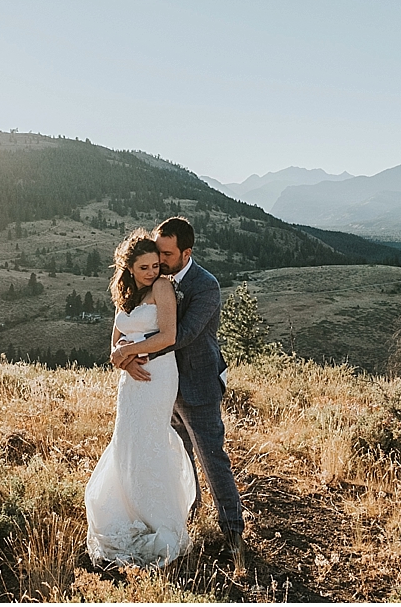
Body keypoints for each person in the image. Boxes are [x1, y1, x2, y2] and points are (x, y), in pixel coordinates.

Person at [111, 216, 245, 565]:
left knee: (212, 459)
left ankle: (233, 531)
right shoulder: (154, 280)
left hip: (196, 385)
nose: (159, 258)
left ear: (186, 252)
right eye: (157, 251)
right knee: (176, 457)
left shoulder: (206, 286)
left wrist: (132, 354)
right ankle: (186, 516)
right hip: (159, 386)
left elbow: (182, 334)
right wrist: (125, 357)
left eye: (166, 254)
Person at [85, 229, 197, 567]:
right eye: (144, 267)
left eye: (155, 265)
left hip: (157, 375)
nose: (153, 272)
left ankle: (159, 517)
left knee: (150, 439)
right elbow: (114, 344)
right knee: (128, 439)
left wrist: (130, 352)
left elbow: (168, 335)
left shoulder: (163, 288)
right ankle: (128, 509)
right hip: (130, 379)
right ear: (129, 268)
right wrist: (125, 359)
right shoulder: (126, 294)